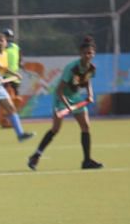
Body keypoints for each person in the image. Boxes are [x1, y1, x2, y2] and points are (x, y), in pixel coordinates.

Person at [28, 35, 102, 171]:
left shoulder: (91, 68)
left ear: (93, 54)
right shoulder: (71, 68)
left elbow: (87, 80)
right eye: (85, 53)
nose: (88, 55)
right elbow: (59, 90)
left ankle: (86, 161)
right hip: (61, 98)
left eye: (90, 53)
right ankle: (35, 156)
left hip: (75, 97)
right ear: (80, 53)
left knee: (85, 127)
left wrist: (90, 94)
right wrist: (68, 107)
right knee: (55, 129)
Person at [0, 28, 23, 128]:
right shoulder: (1, 49)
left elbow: (19, 56)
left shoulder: (15, 47)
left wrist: (20, 63)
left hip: (15, 77)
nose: (9, 39)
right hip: (5, 77)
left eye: (10, 37)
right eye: (6, 36)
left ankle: (12, 119)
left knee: (16, 99)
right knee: (6, 100)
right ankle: (3, 120)